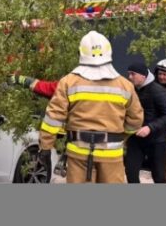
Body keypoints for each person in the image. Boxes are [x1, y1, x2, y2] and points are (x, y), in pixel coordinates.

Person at [37, 30, 144, 183]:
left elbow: (53, 118)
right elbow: (136, 120)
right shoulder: (125, 86)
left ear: (81, 52)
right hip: (112, 156)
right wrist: (119, 136)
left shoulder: (68, 82)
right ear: (109, 52)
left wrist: (45, 147)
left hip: (78, 155)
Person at [124, 61, 166, 184]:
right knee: (130, 174)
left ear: (143, 76)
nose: (129, 77)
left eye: (133, 74)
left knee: (159, 177)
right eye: (129, 74)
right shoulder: (130, 90)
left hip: (157, 141)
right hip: (135, 139)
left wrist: (150, 128)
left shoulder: (158, 91)